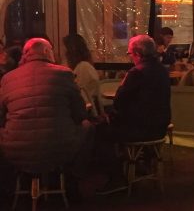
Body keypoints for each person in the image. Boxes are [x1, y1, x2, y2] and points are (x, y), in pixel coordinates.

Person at [0, 38, 91, 197]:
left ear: (26, 55)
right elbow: (80, 113)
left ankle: (10, 185)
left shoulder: (8, 78)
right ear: (47, 52)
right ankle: (74, 179)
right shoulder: (64, 74)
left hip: (16, 151)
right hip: (59, 149)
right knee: (87, 126)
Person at [97, 35, 171, 195]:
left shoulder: (136, 72)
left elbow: (118, 102)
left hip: (140, 129)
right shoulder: (162, 70)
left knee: (101, 132)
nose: (130, 57)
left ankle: (116, 177)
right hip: (160, 127)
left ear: (138, 53)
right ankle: (139, 163)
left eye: (130, 54)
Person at [63, 34, 101, 116]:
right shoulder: (84, 66)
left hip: (86, 116)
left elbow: (79, 98)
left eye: (65, 50)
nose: (63, 54)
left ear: (72, 52)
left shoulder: (83, 68)